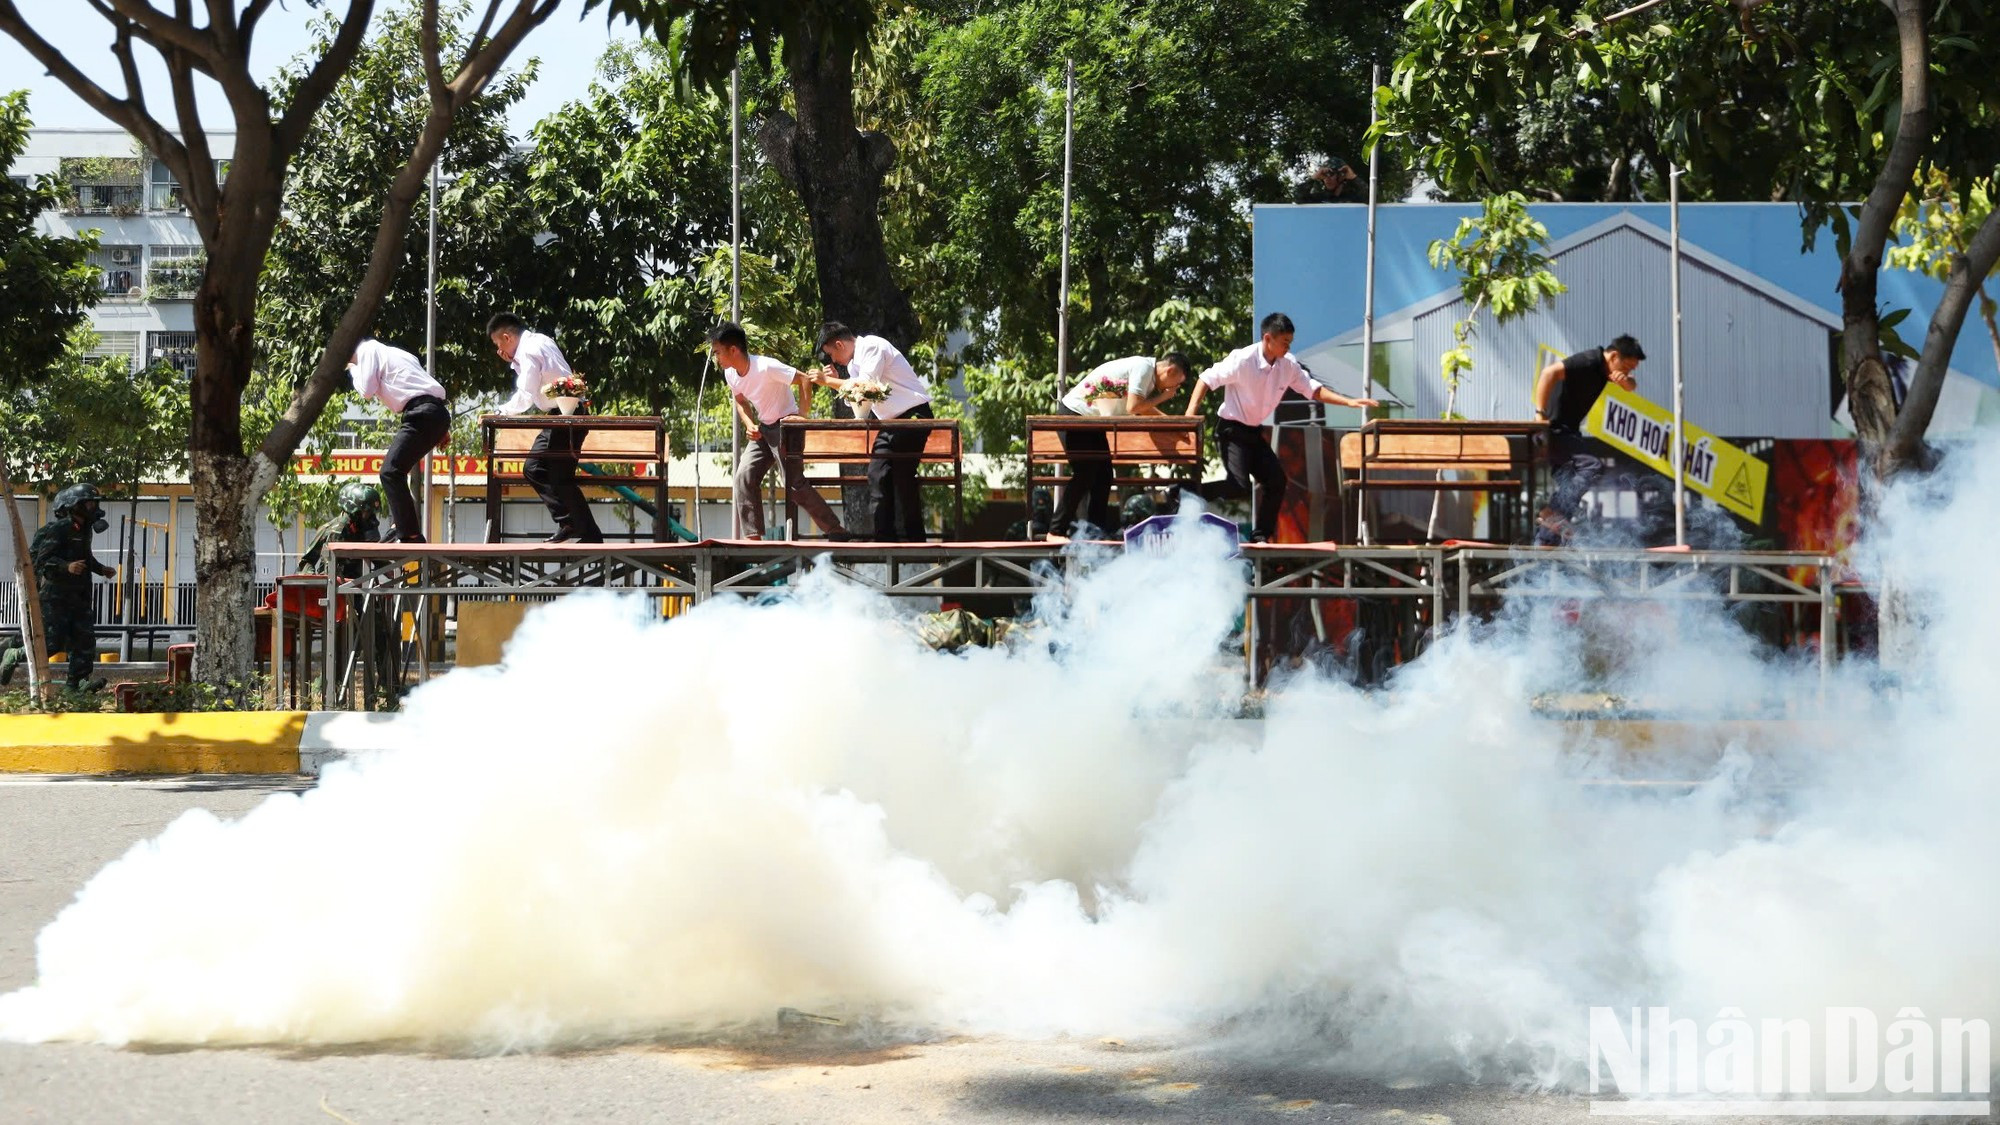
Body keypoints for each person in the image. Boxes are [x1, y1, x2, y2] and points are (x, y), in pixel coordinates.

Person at [1184, 312, 1379, 542]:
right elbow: (1206, 379)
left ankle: (1261, 535)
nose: (1288, 347)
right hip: (1231, 430)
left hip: (1254, 431)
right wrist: (1190, 416)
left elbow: (1312, 389)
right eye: (1284, 342)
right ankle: (1184, 492)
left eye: (1290, 342)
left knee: (1276, 481)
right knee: (1238, 486)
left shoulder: (1289, 366)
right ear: (1268, 339)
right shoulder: (1242, 360)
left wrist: (1348, 401)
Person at [708, 321, 851, 541]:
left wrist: (801, 418)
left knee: (794, 485)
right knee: (744, 476)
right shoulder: (731, 374)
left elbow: (803, 378)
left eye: (718, 352)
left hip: (787, 427)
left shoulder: (765, 366)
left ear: (733, 349)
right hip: (764, 429)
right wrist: (749, 423)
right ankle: (753, 536)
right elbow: (739, 401)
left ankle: (835, 530)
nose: (716, 358)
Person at [1048, 353, 1192, 540]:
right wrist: (1164, 397)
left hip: (1091, 422)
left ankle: (1094, 531)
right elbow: (1134, 407)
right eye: (1175, 383)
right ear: (1170, 370)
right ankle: (1055, 530)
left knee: (1104, 474)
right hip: (1075, 415)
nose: (1173, 389)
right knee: (1085, 472)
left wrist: (1173, 426)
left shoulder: (1147, 377)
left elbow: (1144, 408)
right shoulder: (1144, 368)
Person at [811, 322, 934, 542]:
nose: (833, 361)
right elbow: (859, 404)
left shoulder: (872, 346)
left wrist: (830, 381)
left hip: (913, 416)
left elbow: (867, 385)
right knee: (877, 474)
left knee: (903, 476)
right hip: (890, 424)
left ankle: (915, 539)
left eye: (831, 354)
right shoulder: (851, 368)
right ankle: (884, 537)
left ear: (839, 344)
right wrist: (836, 382)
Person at [488, 312, 603, 543]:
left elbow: (527, 393)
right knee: (540, 470)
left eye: (498, 344)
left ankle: (584, 531)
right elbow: (536, 381)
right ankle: (572, 524)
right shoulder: (540, 340)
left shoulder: (529, 351)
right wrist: (515, 362)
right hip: (562, 413)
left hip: (565, 414)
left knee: (552, 474)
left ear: (507, 337)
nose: (500, 350)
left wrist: (502, 411)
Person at [1531, 334, 1647, 545]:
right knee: (1591, 467)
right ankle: (1550, 512)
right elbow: (1548, 373)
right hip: (1555, 429)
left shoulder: (1605, 371)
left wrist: (1626, 380)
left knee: (1568, 478)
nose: (1627, 372)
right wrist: (1540, 415)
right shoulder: (1588, 361)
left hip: (1568, 431)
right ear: (1613, 357)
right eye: (1627, 367)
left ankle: (1546, 540)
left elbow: (1632, 386)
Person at [2, 484, 116, 691]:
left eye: (94, 503)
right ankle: (14, 653)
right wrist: (66, 567)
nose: (93, 507)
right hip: (56, 597)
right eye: (89, 503)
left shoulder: (85, 530)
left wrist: (101, 569)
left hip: (80, 595)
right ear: (75, 506)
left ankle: (77, 686)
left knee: (84, 640)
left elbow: (85, 557)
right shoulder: (60, 529)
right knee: (52, 643)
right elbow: (42, 560)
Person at [347, 337, 448, 543]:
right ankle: (400, 526)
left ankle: (409, 533)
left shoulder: (367, 350)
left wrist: (352, 369)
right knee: (396, 471)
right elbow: (419, 383)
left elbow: (366, 390)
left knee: (390, 472)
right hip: (434, 412)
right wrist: (440, 428)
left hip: (421, 414)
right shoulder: (397, 353)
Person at [300, 483, 383, 579]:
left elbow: (375, 556)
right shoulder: (332, 531)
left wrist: (392, 570)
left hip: (358, 587)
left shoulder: (362, 529)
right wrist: (315, 581)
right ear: (353, 510)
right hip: (334, 589)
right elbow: (306, 561)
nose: (371, 518)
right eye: (367, 512)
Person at [1293, 157, 1359, 204]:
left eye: (1331, 174)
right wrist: (1314, 177)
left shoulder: (1352, 197)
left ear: (1341, 175)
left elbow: (1368, 197)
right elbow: (1298, 197)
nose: (1327, 178)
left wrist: (1353, 177)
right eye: (1324, 174)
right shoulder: (1319, 199)